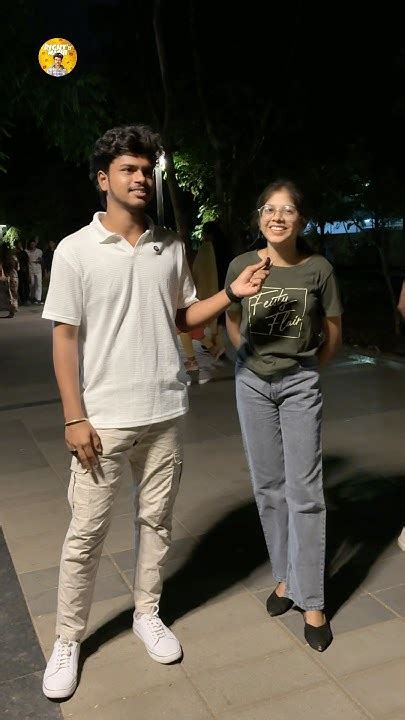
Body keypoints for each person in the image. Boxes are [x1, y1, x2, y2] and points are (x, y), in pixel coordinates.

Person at [41, 124, 269, 700]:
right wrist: (74, 416)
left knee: (156, 522)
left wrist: (232, 293)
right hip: (104, 418)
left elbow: (183, 318)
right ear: (104, 179)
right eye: (128, 169)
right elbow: (65, 338)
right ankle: (67, 640)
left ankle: (147, 612)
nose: (140, 178)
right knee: (86, 534)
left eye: (146, 169)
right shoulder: (74, 250)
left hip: (165, 408)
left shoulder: (169, 244)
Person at [225, 179, 342, 652]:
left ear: (301, 220)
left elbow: (332, 332)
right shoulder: (242, 265)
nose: (277, 217)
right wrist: (248, 362)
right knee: (268, 486)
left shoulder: (318, 269)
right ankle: (285, 578)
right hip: (251, 384)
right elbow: (232, 319)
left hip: (298, 383)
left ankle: (311, 600)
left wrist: (305, 371)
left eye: (287, 210)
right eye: (269, 209)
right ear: (259, 218)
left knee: (305, 492)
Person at [179, 221, 230, 376]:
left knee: (183, 326)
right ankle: (214, 349)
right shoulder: (226, 249)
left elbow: (198, 272)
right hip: (225, 292)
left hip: (206, 292)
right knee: (202, 327)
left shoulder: (206, 249)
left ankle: (193, 360)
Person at [0, 243, 19, 317]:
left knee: (9, 294)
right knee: (14, 293)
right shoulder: (14, 258)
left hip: (7, 277)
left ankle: (12, 309)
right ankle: (13, 309)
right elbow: (18, 268)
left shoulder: (2, 259)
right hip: (15, 276)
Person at [26, 237, 43, 304]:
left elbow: (41, 259)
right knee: (32, 284)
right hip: (31, 270)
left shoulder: (39, 251)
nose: (32, 245)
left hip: (38, 269)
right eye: (31, 244)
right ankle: (32, 297)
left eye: (34, 244)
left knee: (39, 283)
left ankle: (38, 299)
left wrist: (38, 261)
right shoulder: (27, 252)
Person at [15, 240, 30, 305]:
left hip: (24, 270)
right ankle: (22, 299)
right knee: (20, 285)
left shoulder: (24, 253)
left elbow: (27, 260)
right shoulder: (16, 253)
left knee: (26, 285)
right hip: (19, 271)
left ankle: (26, 299)